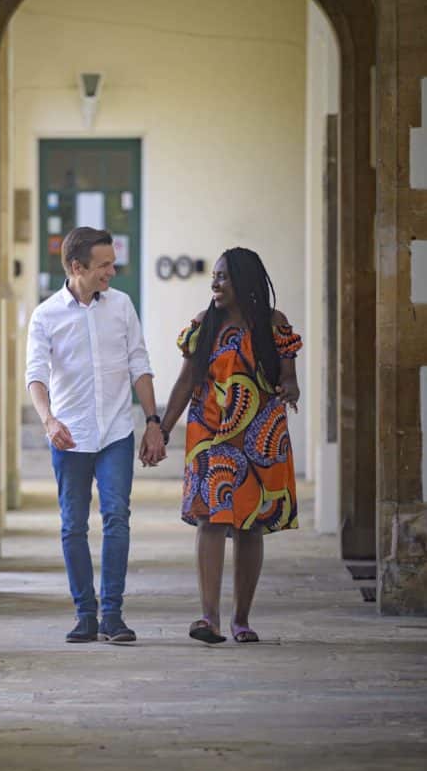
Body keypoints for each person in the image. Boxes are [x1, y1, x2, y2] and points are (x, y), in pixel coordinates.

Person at [26, 227, 166, 644]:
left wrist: (153, 421)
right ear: (77, 267)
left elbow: (139, 365)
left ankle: (113, 615)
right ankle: (85, 614)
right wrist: (48, 420)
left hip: (116, 433)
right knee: (72, 526)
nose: (112, 271)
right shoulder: (46, 315)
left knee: (117, 519)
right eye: (104, 264)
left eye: (112, 262)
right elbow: (35, 376)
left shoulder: (121, 306)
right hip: (69, 437)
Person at [159, 247, 302, 644]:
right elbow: (186, 382)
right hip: (210, 435)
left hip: (260, 435)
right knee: (210, 520)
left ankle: (241, 619)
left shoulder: (274, 325)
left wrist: (289, 388)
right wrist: (163, 428)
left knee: (250, 526)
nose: (215, 283)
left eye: (223, 276)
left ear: (245, 280)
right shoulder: (205, 325)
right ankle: (209, 619)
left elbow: (289, 376)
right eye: (215, 277)